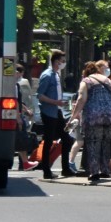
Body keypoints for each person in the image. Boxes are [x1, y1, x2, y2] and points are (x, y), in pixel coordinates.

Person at [69, 59, 111, 185]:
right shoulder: (108, 80)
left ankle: (94, 172)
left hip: (93, 116)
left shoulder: (86, 81)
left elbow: (81, 98)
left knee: (93, 143)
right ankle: (105, 170)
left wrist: (73, 116)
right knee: (105, 142)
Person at [37, 50, 72, 180]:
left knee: (66, 139)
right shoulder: (47, 75)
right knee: (49, 141)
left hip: (56, 111)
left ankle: (65, 169)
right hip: (49, 112)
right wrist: (55, 102)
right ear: (56, 61)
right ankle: (47, 170)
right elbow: (40, 95)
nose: (64, 63)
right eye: (62, 61)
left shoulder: (56, 74)